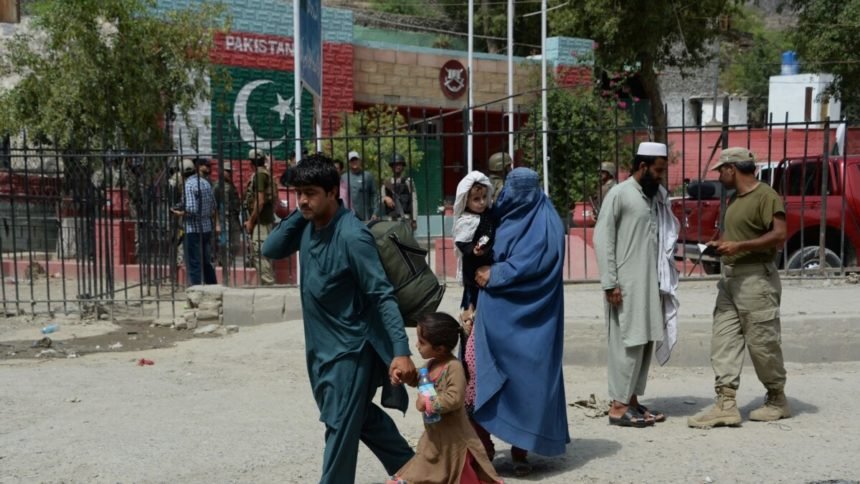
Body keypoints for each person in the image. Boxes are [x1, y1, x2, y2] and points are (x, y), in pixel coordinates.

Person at [261, 154, 417, 483]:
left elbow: (381, 294)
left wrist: (401, 351)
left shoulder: (351, 236)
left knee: (339, 431)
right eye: (299, 191)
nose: (303, 199)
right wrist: (301, 212)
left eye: (311, 192)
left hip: (349, 353)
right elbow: (271, 248)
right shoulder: (307, 221)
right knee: (359, 419)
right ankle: (420, 473)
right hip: (320, 352)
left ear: (334, 192)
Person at [471, 167, 569, 476]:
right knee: (479, 373)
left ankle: (520, 451)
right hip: (495, 313)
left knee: (531, 380)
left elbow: (537, 262)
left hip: (536, 315)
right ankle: (484, 444)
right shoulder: (498, 214)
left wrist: (496, 274)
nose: (514, 196)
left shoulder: (548, 222)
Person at [688, 147, 790, 428]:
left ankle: (777, 399)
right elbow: (737, 236)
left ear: (733, 168)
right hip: (730, 279)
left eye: (721, 170)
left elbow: (779, 235)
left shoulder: (766, 196)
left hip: (756, 280)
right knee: (723, 342)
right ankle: (726, 404)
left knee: (763, 344)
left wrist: (739, 246)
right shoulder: (734, 200)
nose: (719, 175)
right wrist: (720, 245)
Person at [593, 142, 673, 428]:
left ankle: (632, 400)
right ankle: (618, 406)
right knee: (627, 341)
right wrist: (610, 282)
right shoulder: (620, 194)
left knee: (645, 340)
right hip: (624, 284)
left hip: (649, 283)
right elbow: (603, 239)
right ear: (643, 167)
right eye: (658, 170)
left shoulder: (651, 196)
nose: (662, 176)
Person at [388, 313, 502, 484]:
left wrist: (427, 403)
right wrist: (404, 375)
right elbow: (419, 378)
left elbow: (455, 398)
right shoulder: (432, 364)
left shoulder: (453, 367)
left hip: (455, 440)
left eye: (422, 342)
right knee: (425, 470)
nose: (417, 345)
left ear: (440, 348)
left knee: (459, 476)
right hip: (435, 437)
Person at [171, 158, 218, 286]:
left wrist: (179, 213)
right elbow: (214, 205)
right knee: (206, 261)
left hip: (193, 229)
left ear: (181, 173)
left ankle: (196, 289)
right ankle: (212, 287)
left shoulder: (189, 185)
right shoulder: (205, 182)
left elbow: (191, 209)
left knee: (194, 262)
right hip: (207, 227)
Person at [244, 149, 275, 286]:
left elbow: (260, 200)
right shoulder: (266, 173)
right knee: (264, 253)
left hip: (261, 221)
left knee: (260, 253)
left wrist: (251, 221)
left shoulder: (260, 175)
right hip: (265, 220)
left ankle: (268, 285)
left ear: (251, 163)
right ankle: (267, 284)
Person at [213, 161, 241, 267]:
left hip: (234, 217)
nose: (230, 173)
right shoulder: (217, 186)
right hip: (223, 218)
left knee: (236, 243)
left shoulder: (230, 185)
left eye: (230, 171)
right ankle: (223, 264)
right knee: (225, 243)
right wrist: (217, 223)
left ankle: (227, 262)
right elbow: (214, 206)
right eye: (227, 171)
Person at [382, 153, 418, 229]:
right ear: (391, 166)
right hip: (391, 219)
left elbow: (414, 200)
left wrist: (414, 220)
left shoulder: (408, 181)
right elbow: (380, 198)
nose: (397, 166)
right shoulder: (387, 183)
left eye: (400, 164)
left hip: (406, 218)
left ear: (403, 166)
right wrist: (385, 198)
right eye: (395, 164)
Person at [342, 150, 379, 222]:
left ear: (360, 161)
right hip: (349, 216)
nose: (354, 162)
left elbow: (374, 194)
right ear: (349, 163)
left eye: (356, 159)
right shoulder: (344, 177)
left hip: (365, 216)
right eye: (352, 160)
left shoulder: (368, 176)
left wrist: (375, 212)